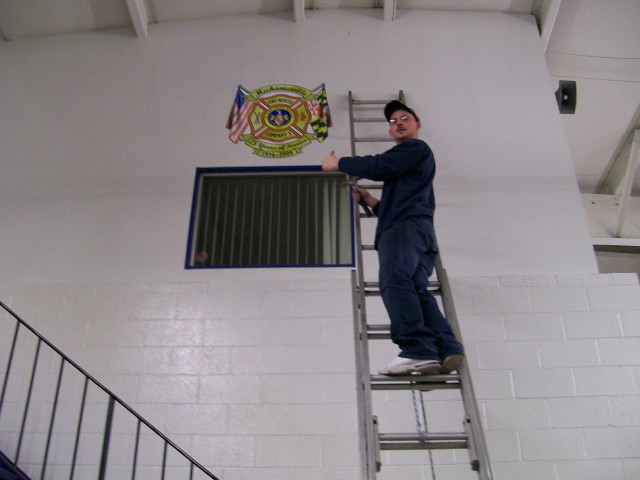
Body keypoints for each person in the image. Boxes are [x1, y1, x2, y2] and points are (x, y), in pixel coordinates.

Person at [322, 100, 464, 376]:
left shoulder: (415, 148)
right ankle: (445, 347)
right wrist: (369, 199)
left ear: (417, 125)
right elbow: (396, 201)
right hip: (420, 233)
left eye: (404, 118)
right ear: (390, 131)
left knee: (394, 281)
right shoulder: (411, 166)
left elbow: (380, 165)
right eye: (393, 121)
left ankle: (417, 350)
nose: (398, 123)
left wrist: (339, 163)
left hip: (405, 230)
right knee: (416, 289)